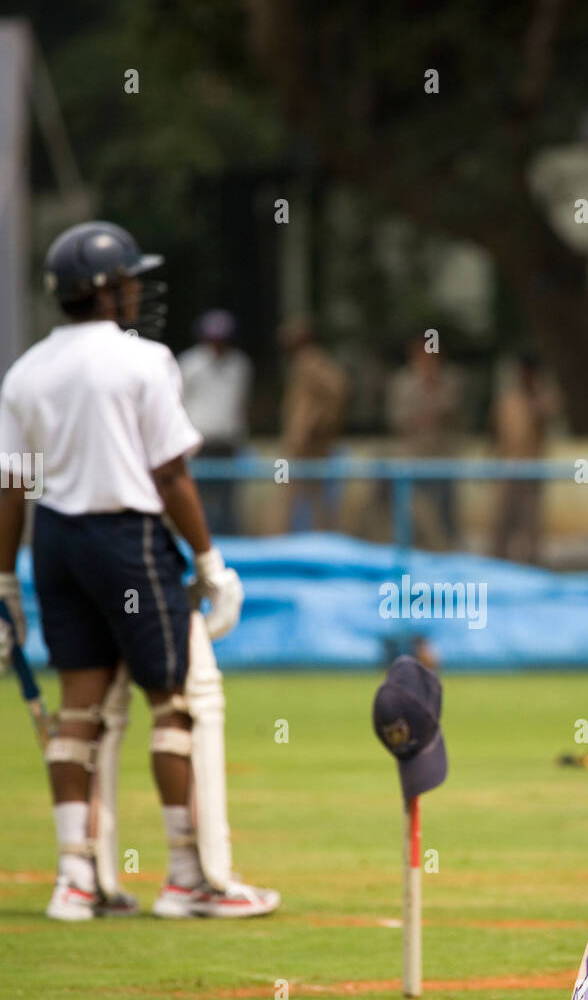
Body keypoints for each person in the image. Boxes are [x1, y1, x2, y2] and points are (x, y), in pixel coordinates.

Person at [0, 220, 279, 921]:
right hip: (126, 537)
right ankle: (186, 877)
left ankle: (75, 880)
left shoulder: (25, 370)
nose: (136, 292)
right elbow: (171, 473)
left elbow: (10, 486)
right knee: (173, 704)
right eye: (129, 280)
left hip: (55, 542)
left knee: (77, 712)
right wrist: (211, 561)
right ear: (106, 288)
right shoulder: (143, 359)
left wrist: (5, 581)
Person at [177, 310, 252, 535]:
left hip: (228, 442)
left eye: (222, 340)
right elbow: (177, 401)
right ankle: (199, 540)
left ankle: (229, 543)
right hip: (199, 443)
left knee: (227, 500)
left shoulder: (240, 364)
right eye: (213, 340)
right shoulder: (189, 364)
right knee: (196, 498)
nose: (218, 345)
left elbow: (240, 402)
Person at [386, 337, 464, 549]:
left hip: (441, 460)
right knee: (415, 514)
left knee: (445, 513)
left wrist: (435, 392)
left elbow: (454, 414)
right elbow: (399, 420)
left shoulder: (449, 381)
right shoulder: (402, 382)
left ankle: (443, 552)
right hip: (412, 461)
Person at [278, 317, 350, 532]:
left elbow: (340, 388)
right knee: (298, 495)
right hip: (300, 443)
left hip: (309, 446)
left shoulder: (310, 360)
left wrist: (318, 423)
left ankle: (294, 542)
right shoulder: (302, 362)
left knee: (299, 496)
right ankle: (298, 540)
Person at [491, 350, 554, 563]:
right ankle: (496, 564)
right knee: (502, 525)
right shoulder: (508, 400)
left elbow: (548, 415)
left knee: (530, 527)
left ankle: (531, 566)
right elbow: (500, 435)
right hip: (507, 472)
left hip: (532, 473)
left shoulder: (543, 400)